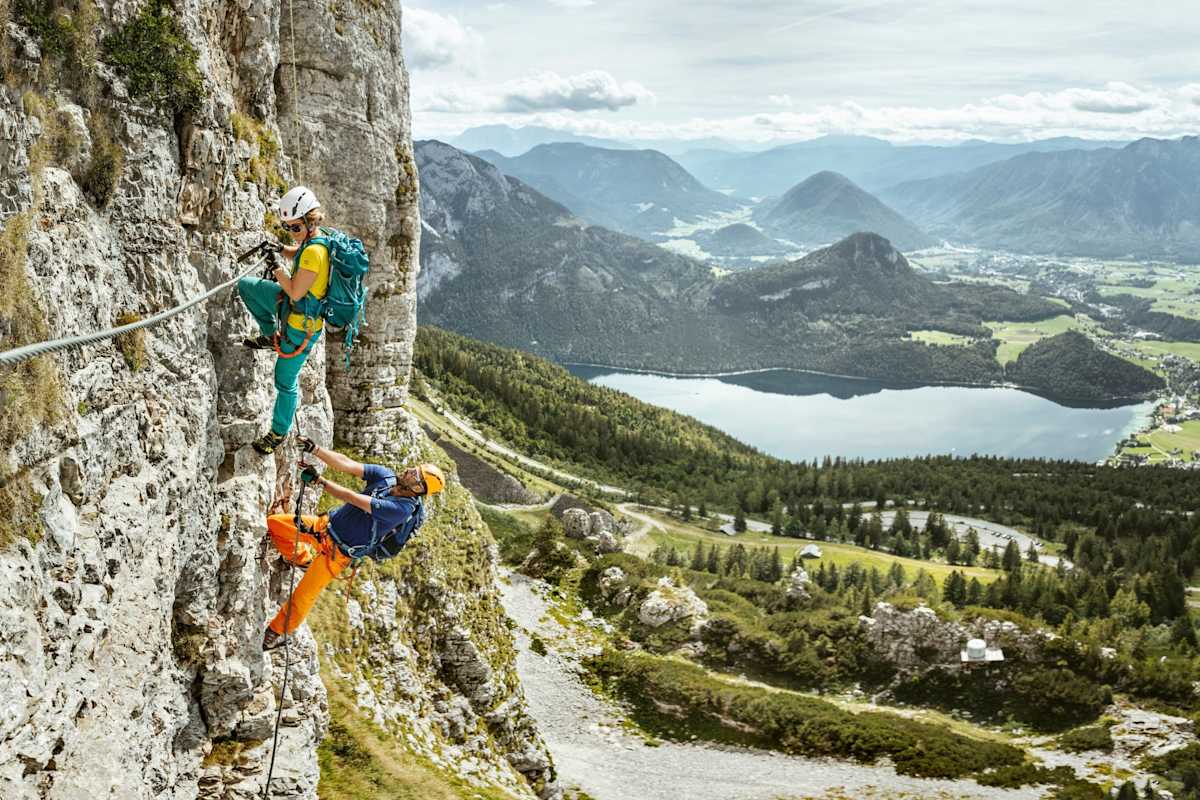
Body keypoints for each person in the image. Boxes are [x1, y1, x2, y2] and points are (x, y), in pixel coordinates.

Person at [261, 438, 446, 651]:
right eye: (415, 468)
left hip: (338, 553)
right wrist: (316, 449)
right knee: (275, 524)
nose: (410, 470)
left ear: (418, 488)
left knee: (303, 596)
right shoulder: (386, 477)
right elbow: (345, 463)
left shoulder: (401, 509)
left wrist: (320, 481)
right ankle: (303, 560)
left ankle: (277, 632)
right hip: (323, 527)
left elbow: (353, 498)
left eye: (416, 474)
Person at [238, 186, 331, 454]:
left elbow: (294, 289)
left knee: (284, 382)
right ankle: (269, 335)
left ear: (309, 221)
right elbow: (300, 251)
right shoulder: (315, 240)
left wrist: (277, 267)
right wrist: (281, 249)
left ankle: (278, 433)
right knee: (248, 287)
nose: (292, 232)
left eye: (295, 228)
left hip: (300, 328)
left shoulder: (315, 252)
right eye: (288, 228)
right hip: (292, 309)